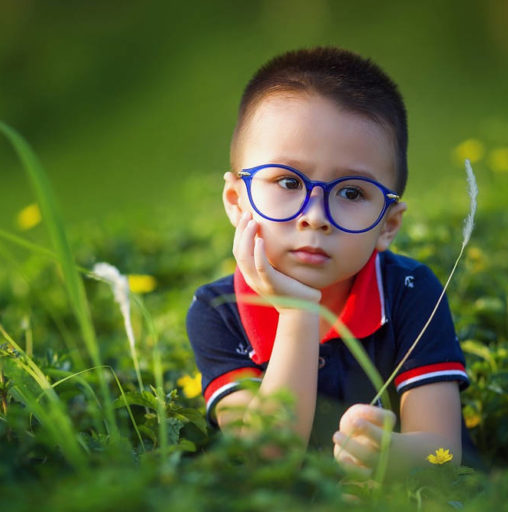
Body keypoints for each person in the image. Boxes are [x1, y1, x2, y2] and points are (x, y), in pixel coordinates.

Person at [186, 46, 479, 479]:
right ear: (237, 201)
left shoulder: (410, 292)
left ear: (388, 225)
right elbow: (264, 459)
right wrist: (299, 312)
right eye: (287, 181)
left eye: (352, 193)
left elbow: (442, 453)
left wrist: (387, 457)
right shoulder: (218, 311)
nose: (316, 217)